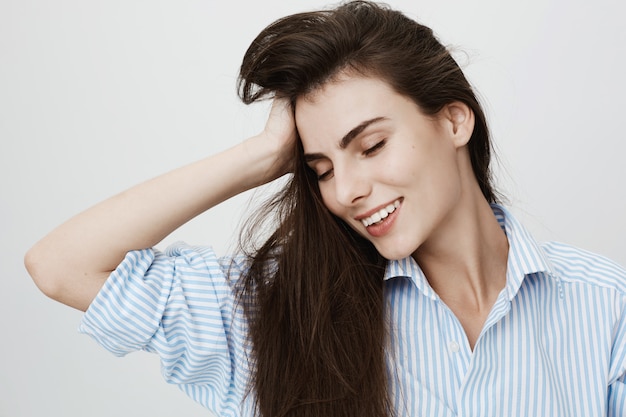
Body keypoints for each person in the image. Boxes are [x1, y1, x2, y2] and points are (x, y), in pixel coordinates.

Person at [24, 1, 626, 416]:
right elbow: (61, 265)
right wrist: (260, 155)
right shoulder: (286, 307)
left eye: (371, 145)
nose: (345, 192)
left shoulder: (604, 305)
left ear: (453, 119)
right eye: (321, 170)